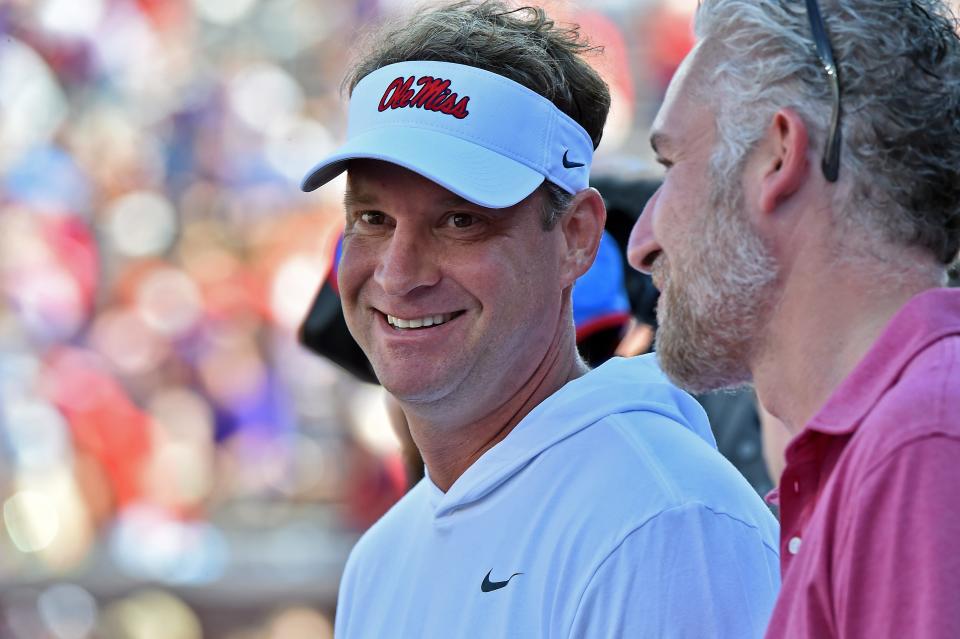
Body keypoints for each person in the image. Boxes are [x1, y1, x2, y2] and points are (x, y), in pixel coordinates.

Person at [301, 2, 780, 637]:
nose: (397, 273)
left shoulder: (663, 521)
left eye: (460, 221)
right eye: (372, 219)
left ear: (578, 236)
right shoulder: (381, 557)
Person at [626, 1, 960, 637]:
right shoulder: (897, 443)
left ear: (778, 157)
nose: (641, 241)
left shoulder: (924, 442)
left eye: (670, 167)